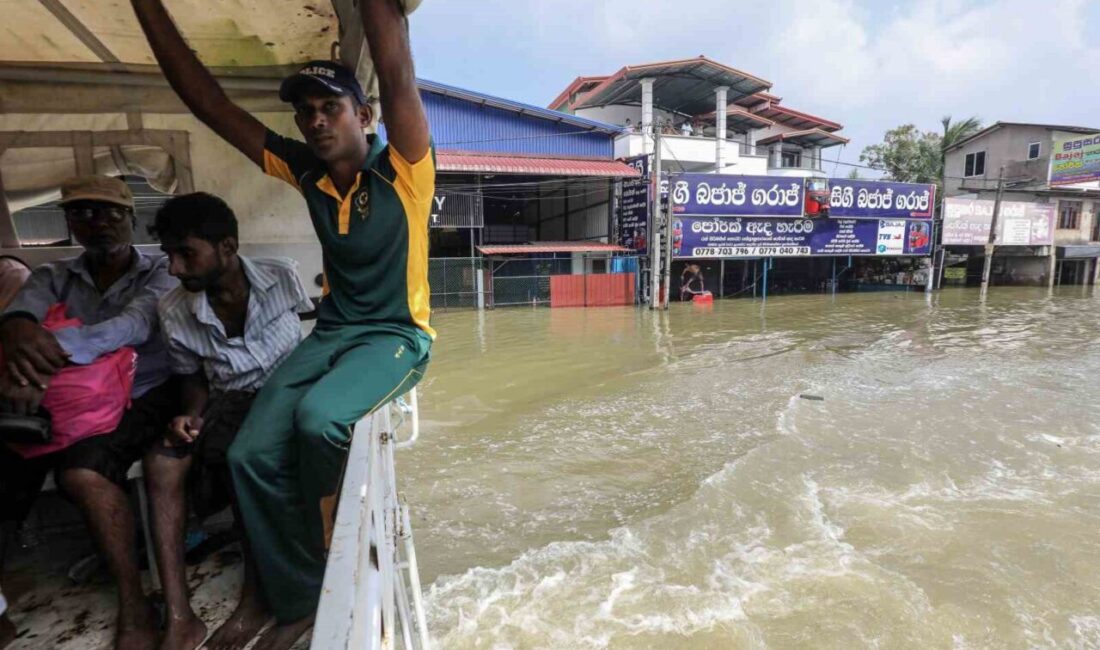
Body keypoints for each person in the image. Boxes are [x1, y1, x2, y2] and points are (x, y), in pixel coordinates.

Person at [131, 1, 435, 647]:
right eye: (307, 112)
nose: (317, 121)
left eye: (331, 107)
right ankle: (293, 597)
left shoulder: (405, 168)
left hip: (395, 338)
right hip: (331, 336)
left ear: (366, 116)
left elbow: (395, 66)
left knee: (318, 421)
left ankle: (330, 564)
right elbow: (209, 105)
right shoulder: (308, 173)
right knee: (245, 454)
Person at [0, 175, 178, 650]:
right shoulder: (52, 275)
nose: (96, 223)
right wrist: (19, 336)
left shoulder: (160, 270)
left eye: (108, 213)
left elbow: (135, 325)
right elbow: (19, 318)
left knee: (84, 472)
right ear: (70, 224)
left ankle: (135, 603)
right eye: (81, 214)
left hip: (145, 391)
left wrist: (43, 348)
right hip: (62, 395)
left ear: (130, 217)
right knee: (7, 460)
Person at [143, 192, 314, 650]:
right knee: (162, 464)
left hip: (287, 394)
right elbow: (192, 379)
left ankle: (257, 597)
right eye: (169, 256)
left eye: (186, 254)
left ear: (228, 247)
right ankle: (179, 615)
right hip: (227, 402)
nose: (175, 269)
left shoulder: (281, 276)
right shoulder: (174, 311)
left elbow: (312, 336)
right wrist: (189, 415)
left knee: (244, 455)